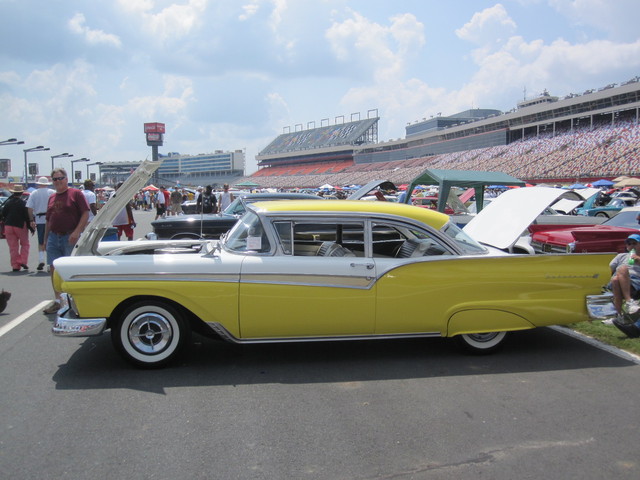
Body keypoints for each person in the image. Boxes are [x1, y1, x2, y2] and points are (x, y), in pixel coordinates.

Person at [43, 168, 90, 314]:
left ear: (66, 178)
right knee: (54, 269)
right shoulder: (52, 197)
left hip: (69, 236)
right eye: (55, 179)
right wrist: (44, 239)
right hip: (54, 236)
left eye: (60, 178)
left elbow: (85, 213)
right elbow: (48, 220)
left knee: (70, 269)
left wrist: (77, 231)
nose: (58, 181)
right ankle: (58, 300)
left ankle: (73, 300)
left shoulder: (75, 194)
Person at [610, 233, 640, 337]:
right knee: (616, 278)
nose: (631, 246)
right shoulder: (621, 256)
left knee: (620, 271)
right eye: (629, 244)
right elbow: (610, 268)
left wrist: (637, 259)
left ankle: (627, 303)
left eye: (634, 243)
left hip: (636, 283)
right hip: (621, 280)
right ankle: (620, 313)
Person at [1, 185, 33, 272]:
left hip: (8, 226)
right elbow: (27, 216)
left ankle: (15, 265)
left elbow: (3, 213)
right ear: (21, 193)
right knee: (25, 244)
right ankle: (22, 261)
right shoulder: (23, 203)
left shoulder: (8, 203)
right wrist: (31, 227)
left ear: (13, 192)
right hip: (20, 225)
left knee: (13, 247)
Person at [26, 176, 55, 271]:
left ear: (39, 184)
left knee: (41, 241)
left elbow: (29, 208)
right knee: (51, 241)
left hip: (39, 219)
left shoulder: (34, 193)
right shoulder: (52, 193)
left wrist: (31, 220)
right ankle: (50, 264)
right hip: (51, 219)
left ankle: (41, 259)